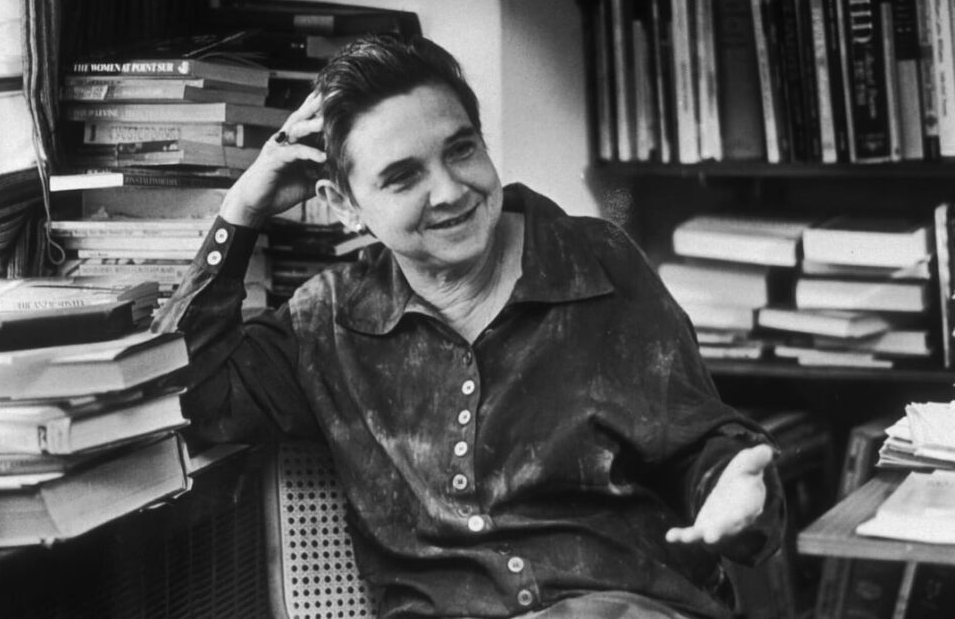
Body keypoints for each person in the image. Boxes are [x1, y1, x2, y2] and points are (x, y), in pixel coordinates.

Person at [152, 34, 784, 619]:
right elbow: (187, 391)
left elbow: (697, 440)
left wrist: (730, 483)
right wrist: (244, 206)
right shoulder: (329, 320)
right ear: (345, 205)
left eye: (462, 150)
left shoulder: (594, 261)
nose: (451, 191)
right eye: (403, 177)